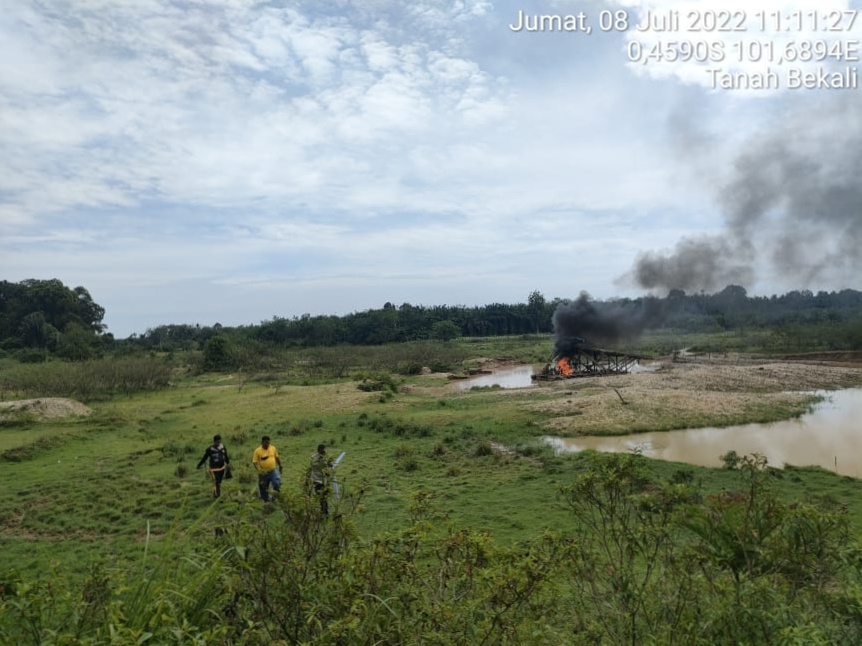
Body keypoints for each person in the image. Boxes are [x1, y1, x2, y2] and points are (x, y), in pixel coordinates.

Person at [197, 434, 230, 498]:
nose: (219, 443)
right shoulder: (210, 449)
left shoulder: (223, 447)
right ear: (214, 441)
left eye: (220, 441)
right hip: (214, 469)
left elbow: (226, 456)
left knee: (219, 481)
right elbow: (204, 458)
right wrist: (199, 465)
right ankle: (217, 495)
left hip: (222, 468)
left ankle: (215, 492)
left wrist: (228, 463)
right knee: (216, 481)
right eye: (217, 442)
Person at [252, 435, 282, 502]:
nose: (267, 444)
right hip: (263, 473)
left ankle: (274, 498)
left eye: (268, 443)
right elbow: (255, 462)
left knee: (277, 483)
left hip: (273, 471)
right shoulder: (257, 451)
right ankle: (266, 501)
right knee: (263, 487)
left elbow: (277, 457)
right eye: (266, 443)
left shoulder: (273, 448)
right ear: (262, 442)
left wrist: (280, 465)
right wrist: (260, 471)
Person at [309, 443, 333, 515]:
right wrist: (329, 464)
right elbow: (325, 467)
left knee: (323, 497)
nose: (325, 451)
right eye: (324, 450)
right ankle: (325, 513)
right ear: (320, 451)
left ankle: (324, 512)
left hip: (320, 481)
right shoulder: (319, 459)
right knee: (322, 498)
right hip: (319, 481)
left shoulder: (314, 457)